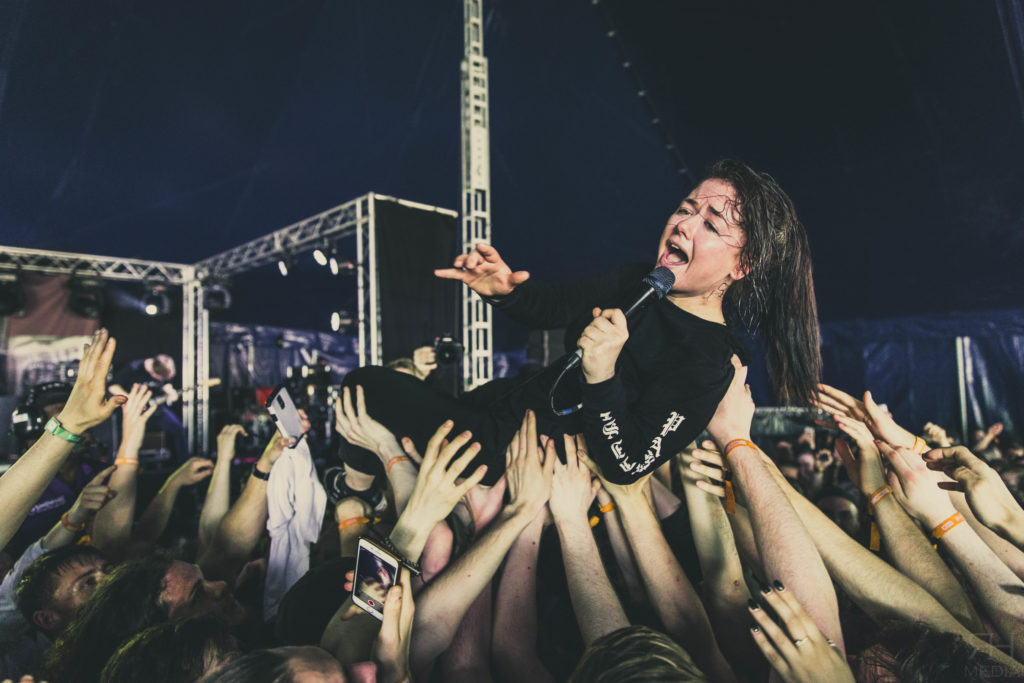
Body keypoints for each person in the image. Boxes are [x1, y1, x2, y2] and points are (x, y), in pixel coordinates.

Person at [337, 159, 821, 487]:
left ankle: (353, 498)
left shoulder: (710, 362)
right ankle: (361, 495)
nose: (684, 225)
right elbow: (548, 310)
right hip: (497, 408)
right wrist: (507, 291)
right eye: (686, 208)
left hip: (520, 459)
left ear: (742, 266)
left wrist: (602, 373)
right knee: (372, 394)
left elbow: (627, 463)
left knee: (365, 388)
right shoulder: (639, 279)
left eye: (712, 224)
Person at [109, 353, 189, 463]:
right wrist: (133, 400)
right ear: (152, 371)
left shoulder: (163, 369)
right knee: (128, 437)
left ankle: (183, 464)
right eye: (159, 377)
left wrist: (170, 393)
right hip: (134, 411)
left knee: (178, 428)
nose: (160, 380)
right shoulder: (134, 367)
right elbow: (113, 386)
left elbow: (166, 384)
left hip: (156, 409)